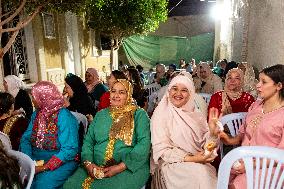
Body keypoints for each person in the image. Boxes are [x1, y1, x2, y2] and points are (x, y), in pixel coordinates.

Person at [63, 79, 151, 189]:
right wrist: (88, 164)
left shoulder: (139, 115)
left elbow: (144, 144)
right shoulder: (101, 114)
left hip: (128, 167)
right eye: (113, 91)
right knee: (70, 185)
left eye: (121, 92)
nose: (116, 95)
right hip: (95, 165)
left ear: (128, 95)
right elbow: (88, 142)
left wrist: (120, 167)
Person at [219, 64, 284, 189]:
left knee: (236, 186)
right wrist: (226, 138)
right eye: (259, 81)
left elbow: (281, 156)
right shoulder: (255, 106)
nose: (258, 85)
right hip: (243, 161)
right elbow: (241, 136)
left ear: (279, 86)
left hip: (271, 168)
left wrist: (251, 165)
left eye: (263, 82)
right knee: (221, 178)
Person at [151, 75, 221, 189]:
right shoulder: (160, 114)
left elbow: (207, 147)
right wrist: (193, 159)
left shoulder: (196, 115)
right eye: (174, 89)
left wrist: (213, 135)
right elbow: (162, 151)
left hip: (198, 162)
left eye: (184, 90)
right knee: (200, 174)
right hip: (170, 165)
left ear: (190, 94)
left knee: (206, 174)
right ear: (169, 91)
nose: (178, 93)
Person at [20, 81, 79, 189]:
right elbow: (26, 138)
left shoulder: (64, 116)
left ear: (44, 97)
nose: (32, 101)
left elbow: (70, 149)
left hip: (62, 160)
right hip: (36, 160)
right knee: (21, 181)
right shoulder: (37, 114)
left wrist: (45, 167)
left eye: (34, 97)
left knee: (42, 185)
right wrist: (29, 161)